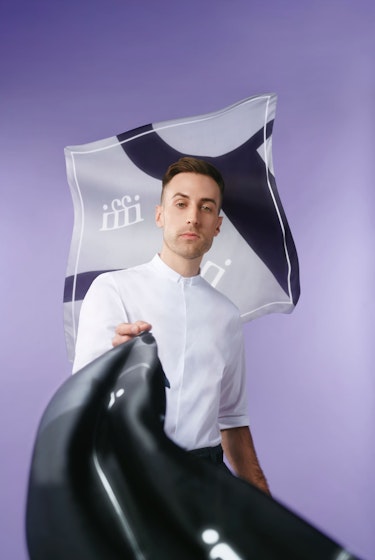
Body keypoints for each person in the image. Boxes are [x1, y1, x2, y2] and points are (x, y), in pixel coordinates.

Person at [73, 156, 270, 494]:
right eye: (181, 204)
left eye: (206, 207)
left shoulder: (227, 315)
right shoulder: (112, 290)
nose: (193, 216)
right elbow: (82, 401)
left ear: (217, 225)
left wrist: (263, 499)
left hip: (206, 479)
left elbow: (233, 419)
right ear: (160, 214)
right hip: (133, 475)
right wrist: (113, 366)